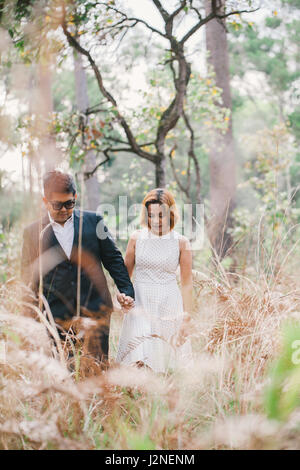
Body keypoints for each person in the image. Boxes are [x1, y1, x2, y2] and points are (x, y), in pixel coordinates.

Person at [21, 170, 134, 365]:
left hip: (95, 312)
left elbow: (113, 260)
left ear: (75, 197)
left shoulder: (94, 222)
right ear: (45, 200)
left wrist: (126, 291)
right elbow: (28, 277)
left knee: (96, 373)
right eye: (58, 205)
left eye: (69, 203)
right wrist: (30, 319)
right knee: (63, 374)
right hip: (55, 317)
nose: (64, 209)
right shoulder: (32, 232)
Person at [116, 188, 194, 373]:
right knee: (138, 359)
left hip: (169, 303)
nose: (156, 221)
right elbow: (124, 278)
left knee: (167, 363)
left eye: (162, 215)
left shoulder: (181, 242)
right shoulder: (136, 238)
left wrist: (186, 317)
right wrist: (122, 298)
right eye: (151, 216)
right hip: (141, 302)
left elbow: (187, 284)